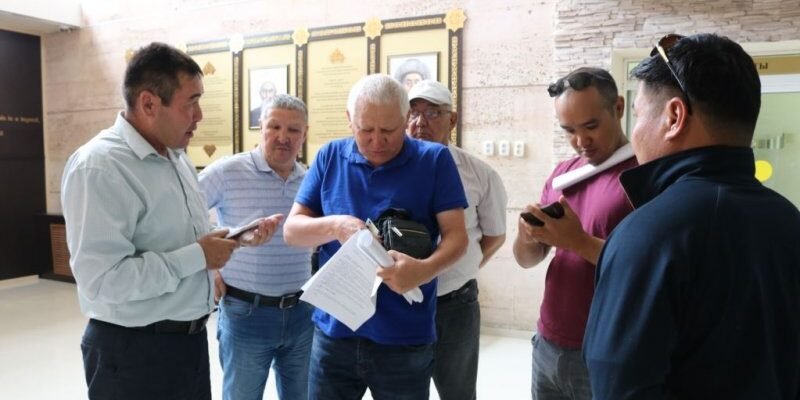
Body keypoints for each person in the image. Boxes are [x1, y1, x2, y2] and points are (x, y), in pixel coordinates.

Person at [583, 33, 800, 400]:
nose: (635, 133)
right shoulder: (788, 220)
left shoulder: (648, 235)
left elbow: (619, 387)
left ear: (674, 117)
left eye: (638, 115)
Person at [61, 42, 274, 400]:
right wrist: (199, 256)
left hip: (187, 345)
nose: (199, 115)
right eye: (191, 102)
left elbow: (181, 238)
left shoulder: (176, 158)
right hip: (132, 353)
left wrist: (232, 240)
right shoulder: (99, 167)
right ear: (149, 103)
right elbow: (103, 281)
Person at [283, 73, 469, 399]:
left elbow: (457, 238)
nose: (377, 141)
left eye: (389, 130)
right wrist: (335, 226)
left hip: (404, 337)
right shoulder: (330, 156)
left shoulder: (434, 160)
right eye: (366, 130)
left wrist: (423, 270)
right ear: (349, 119)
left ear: (405, 119)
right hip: (335, 332)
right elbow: (292, 231)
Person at [512, 67, 637, 400]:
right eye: (569, 130)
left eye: (591, 126)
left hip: (606, 350)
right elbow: (527, 260)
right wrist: (526, 236)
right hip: (548, 341)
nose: (581, 142)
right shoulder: (563, 174)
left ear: (619, 107)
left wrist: (578, 242)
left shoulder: (644, 175)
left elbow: (646, 267)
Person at [199, 94, 313, 400]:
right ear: (260, 126)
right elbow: (183, 214)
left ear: (304, 134)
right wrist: (210, 266)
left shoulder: (310, 180)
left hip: (302, 314)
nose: (283, 137)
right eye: (274, 126)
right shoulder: (228, 171)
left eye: (293, 130)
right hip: (246, 314)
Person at [405, 79, 508, 400]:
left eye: (432, 113)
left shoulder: (479, 174)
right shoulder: (391, 167)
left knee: (458, 392)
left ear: (452, 120)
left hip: (455, 304)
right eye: (413, 112)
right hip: (402, 303)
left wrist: (461, 266)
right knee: (401, 390)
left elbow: (495, 235)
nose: (420, 122)